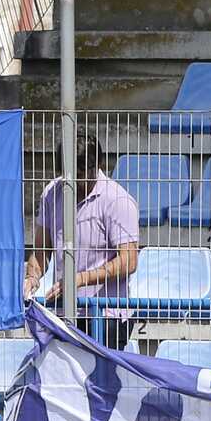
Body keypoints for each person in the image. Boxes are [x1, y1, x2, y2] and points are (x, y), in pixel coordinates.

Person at [27, 135, 142, 349]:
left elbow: (129, 261)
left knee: (99, 372)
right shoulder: (51, 193)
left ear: (97, 166)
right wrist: (31, 277)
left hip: (105, 315)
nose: (73, 182)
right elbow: (42, 250)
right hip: (63, 313)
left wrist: (79, 279)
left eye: (79, 175)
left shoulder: (118, 200)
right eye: (67, 175)